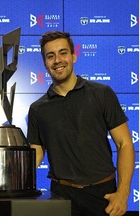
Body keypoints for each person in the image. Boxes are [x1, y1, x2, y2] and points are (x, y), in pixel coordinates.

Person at [27, 31, 135, 216]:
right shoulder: (37, 109)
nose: (57, 60)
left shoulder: (101, 93)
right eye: (50, 56)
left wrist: (123, 193)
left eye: (63, 53)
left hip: (104, 195)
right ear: (45, 63)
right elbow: (35, 154)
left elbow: (124, 144)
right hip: (61, 196)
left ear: (73, 56)